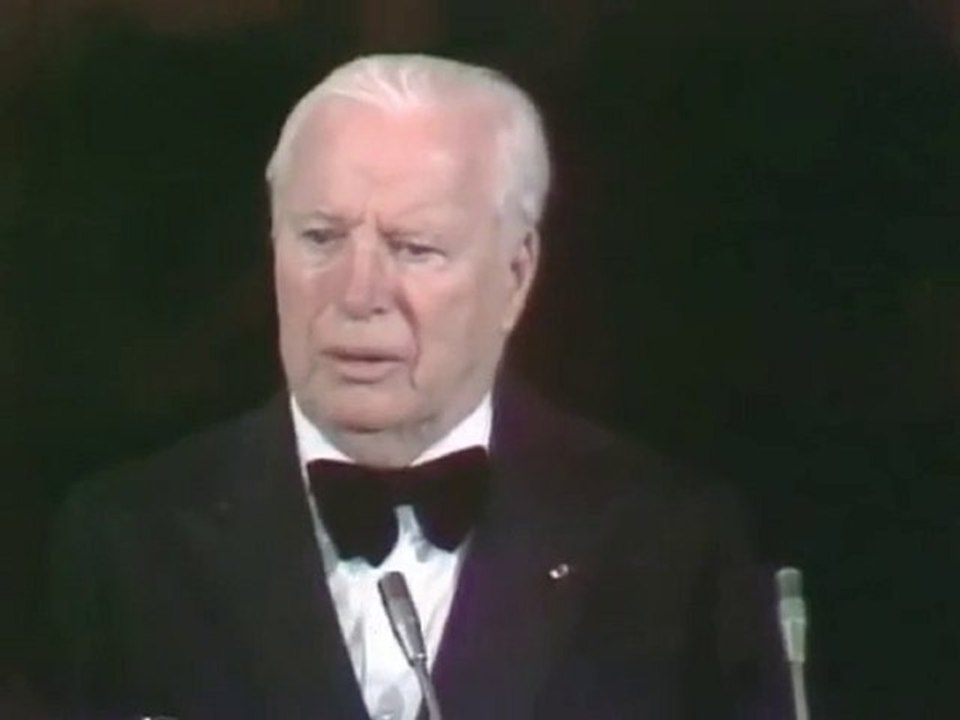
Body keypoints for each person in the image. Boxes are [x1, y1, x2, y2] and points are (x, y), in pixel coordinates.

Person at [43, 54, 782, 719]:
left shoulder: (667, 545)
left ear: (515, 276)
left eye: (414, 248)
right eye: (321, 238)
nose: (359, 293)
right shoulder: (124, 541)